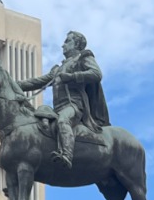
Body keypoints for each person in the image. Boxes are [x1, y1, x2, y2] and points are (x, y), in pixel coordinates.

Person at [20, 30, 110, 169]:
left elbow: (96, 74)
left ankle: (66, 155)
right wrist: (14, 85)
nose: (63, 45)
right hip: (57, 109)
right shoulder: (58, 69)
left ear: (77, 44)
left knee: (63, 120)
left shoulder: (83, 58)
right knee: (39, 115)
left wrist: (72, 77)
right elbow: (37, 82)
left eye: (67, 41)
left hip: (74, 106)